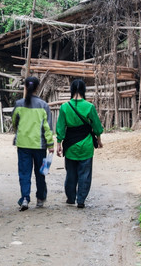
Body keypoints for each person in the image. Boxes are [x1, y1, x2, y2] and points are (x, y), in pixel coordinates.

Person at [56, 79, 103, 209]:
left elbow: (60, 127)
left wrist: (59, 144)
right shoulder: (89, 107)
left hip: (70, 145)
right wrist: (98, 140)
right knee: (85, 174)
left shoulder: (65, 107)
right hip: (86, 145)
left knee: (71, 173)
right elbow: (97, 127)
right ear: (84, 90)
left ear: (71, 90)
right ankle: (81, 200)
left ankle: (71, 198)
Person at [12, 76, 54, 211]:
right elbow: (47, 128)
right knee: (40, 172)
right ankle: (40, 198)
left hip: (23, 144)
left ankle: (25, 198)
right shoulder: (43, 105)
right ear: (38, 88)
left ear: (25, 87)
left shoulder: (19, 104)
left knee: (24, 172)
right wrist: (51, 144)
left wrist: (19, 132)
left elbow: (14, 122)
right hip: (39, 145)